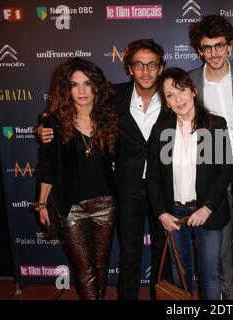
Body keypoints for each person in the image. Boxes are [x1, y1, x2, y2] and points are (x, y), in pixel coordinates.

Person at [37, 39, 170, 300]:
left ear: (161, 68)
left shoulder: (173, 98)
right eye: (139, 65)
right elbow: (70, 113)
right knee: (129, 256)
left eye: (151, 64)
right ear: (130, 68)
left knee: (162, 254)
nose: (145, 71)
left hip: (164, 188)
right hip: (126, 190)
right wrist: (43, 128)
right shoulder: (114, 98)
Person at [146, 67, 233, 300]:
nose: (178, 99)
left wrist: (208, 207)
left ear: (193, 91)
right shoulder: (161, 129)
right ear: (166, 102)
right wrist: (161, 213)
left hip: (207, 211)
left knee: (210, 276)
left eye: (181, 90)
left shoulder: (216, 125)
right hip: (174, 214)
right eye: (170, 95)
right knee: (179, 274)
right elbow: (153, 177)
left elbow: (225, 170)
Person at [36, 57, 118, 300]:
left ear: (96, 86)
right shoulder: (54, 123)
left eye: (87, 83)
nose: (81, 91)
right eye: (74, 84)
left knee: (101, 265)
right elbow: (47, 167)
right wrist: (42, 203)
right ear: (67, 89)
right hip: (71, 207)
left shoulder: (110, 118)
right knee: (84, 269)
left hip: (106, 204)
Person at [188, 14, 233, 300]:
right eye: (207, 47)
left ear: (229, 46)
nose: (214, 53)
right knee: (220, 246)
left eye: (219, 45)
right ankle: (229, 298)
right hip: (213, 170)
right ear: (199, 50)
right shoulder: (189, 82)